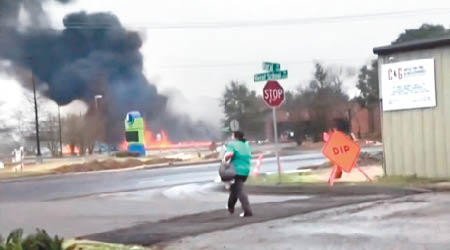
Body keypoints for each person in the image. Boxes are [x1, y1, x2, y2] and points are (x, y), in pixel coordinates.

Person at [223, 131, 253, 217]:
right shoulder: (246, 144)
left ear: (235, 137)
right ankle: (230, 207)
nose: (231, 137)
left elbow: (229, 154)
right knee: (235, 188)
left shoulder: (232, 144)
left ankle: (247, 211)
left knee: (239, 190)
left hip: (236, 170)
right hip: (245, 170)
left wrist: (224, 161)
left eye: (232, 135)